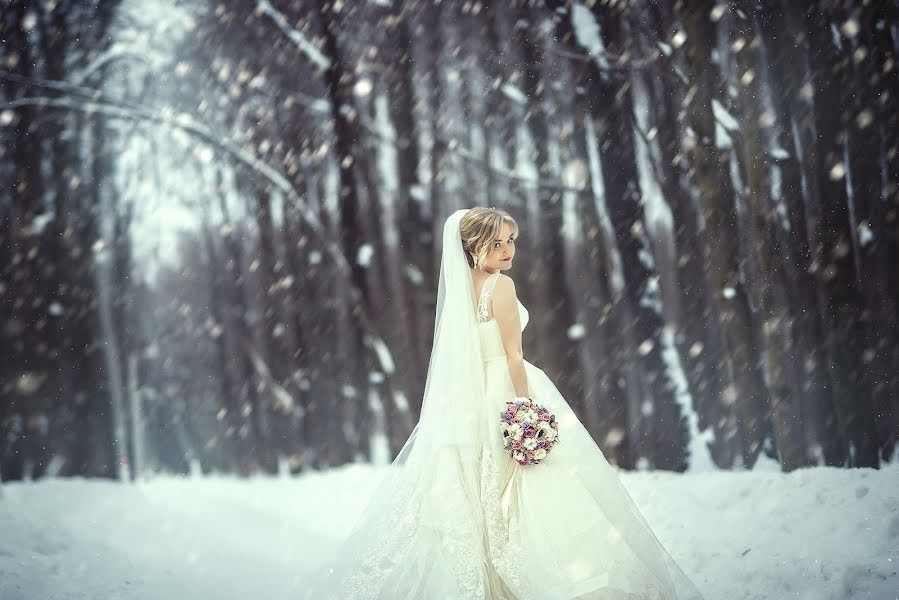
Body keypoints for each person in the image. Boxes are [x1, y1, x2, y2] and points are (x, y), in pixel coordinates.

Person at [303, 207, 706, 599]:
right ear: (475, 246)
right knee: (537, 484)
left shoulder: (462, 288)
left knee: (474, 488)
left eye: (511, 240)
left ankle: (488, 579)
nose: (508, 250)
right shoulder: (502, 286)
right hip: (505, 387)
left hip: (469, 395)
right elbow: (514, 354)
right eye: (496, 244)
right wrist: (526, 410)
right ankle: (554, 576)